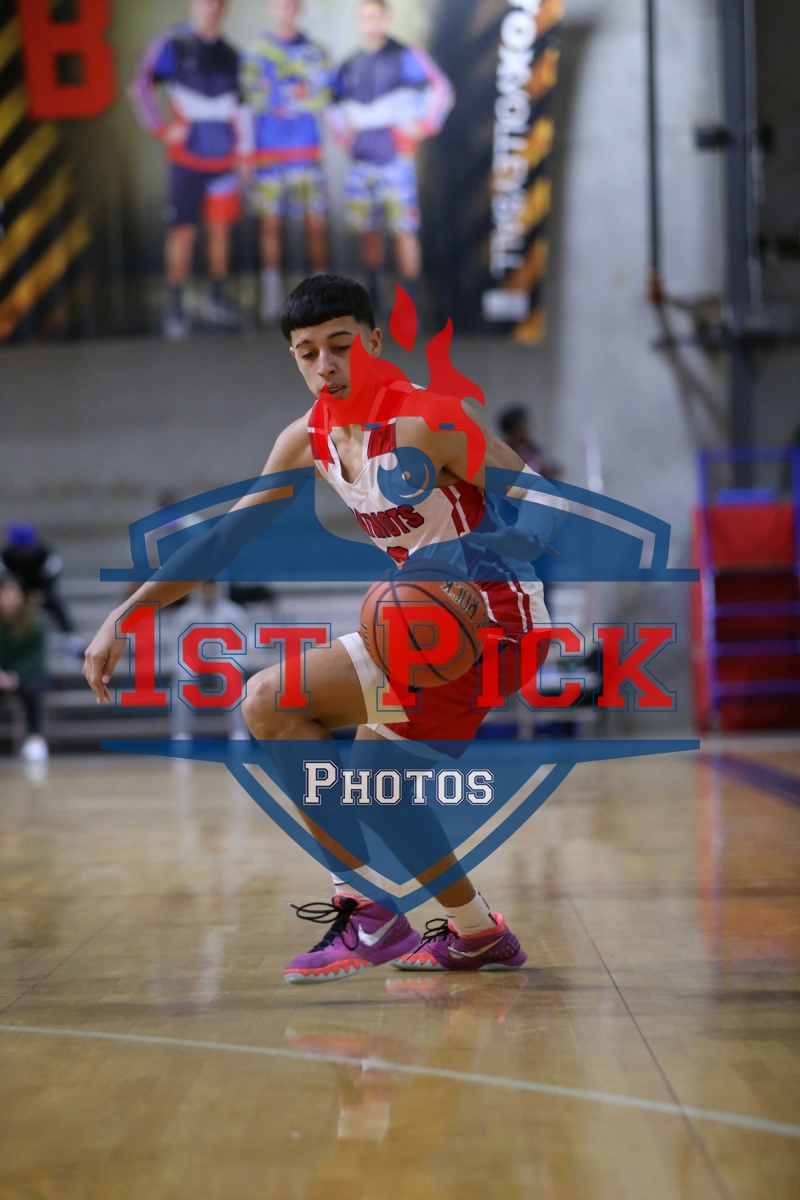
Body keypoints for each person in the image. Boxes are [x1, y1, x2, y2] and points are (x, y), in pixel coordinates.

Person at [83, 275, 562, 983]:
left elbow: (543, 497)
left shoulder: (428, 420)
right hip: (418, 623)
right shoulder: (305, 440)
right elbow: (223, 541)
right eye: (307, 352)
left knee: (371, 780)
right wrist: (125, 614)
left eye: (341, 345)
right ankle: (466, 931)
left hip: (495, 623)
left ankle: (381, 912)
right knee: (269, 703)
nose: (326, 365)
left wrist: (502, 545)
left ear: (375, 340)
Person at [129, 0, 248, 341]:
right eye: (202, 2)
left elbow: (242, 108)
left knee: (220, 231)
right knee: (183, 232)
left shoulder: (232, 54)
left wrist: (244, 153)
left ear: (223, 8)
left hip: (224, 160)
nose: (209, 8)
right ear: (191, 6)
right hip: (186, 161)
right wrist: (161, 129)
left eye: (215, 3)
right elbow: (140, 85)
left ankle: (217, 299)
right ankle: (175, 305)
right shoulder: (172, 45)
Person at [326, 0, 453, 316]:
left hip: (395, 162)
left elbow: (441, 91)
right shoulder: (348, 65)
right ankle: (372, 300)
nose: (371, 22)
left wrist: (421, 128)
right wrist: (345, 137)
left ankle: (411, 305)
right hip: (361, 164)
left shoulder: (406, 56)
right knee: (368, 232)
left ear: (385, 18)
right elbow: (330, 105)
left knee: (403, 231)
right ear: (359, 21)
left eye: (376, 16)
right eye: (365, 17)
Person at [241, 0, 331, 323]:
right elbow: (251, 97)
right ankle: (271, 298)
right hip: (268, 154)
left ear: (299, 9)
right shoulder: (256, 53)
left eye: (291, 5)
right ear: (272, 8)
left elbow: (322, 96)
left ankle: (323, 296)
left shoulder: (316, 52)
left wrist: (277, 93)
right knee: (270, 225)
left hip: (306, 151)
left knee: (315, 225)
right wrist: (295, 92)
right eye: (280, 5)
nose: (286, 10)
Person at [167, 581, 250, 739]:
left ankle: (239, 731)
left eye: (211, 588)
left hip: (225, 659)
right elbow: (177, 645)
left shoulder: (233, 613)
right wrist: (183, 664)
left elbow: (245, 642)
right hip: (193, 659)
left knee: (233, 678)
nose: (208, 592)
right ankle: (181, 732)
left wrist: (235, 661)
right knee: (183, 679)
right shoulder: (185, 614)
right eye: (205, 588)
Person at [0, 576, 49, 762]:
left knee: (33, 689)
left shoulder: (33, 624)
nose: (9, 600)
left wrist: (15, 675)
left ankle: (35, 736)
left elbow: (36, 658)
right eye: (5, 594)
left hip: (25, 676)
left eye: (13, 595)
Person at [2, 521, 75, 635]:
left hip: (40, 588)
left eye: (26, 548)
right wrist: (12, 592)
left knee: (55, 604)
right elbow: (4, 578)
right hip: (15, 591)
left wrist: (42, 593)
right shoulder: (5, 556)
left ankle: (69, 635)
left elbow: (52, 574)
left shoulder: (45, 554)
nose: (24, 553)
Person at [498, 407, 559, 480]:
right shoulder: (505, 453)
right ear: (513, 429)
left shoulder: (533, 449)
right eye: (524, 424)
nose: (528, 428)